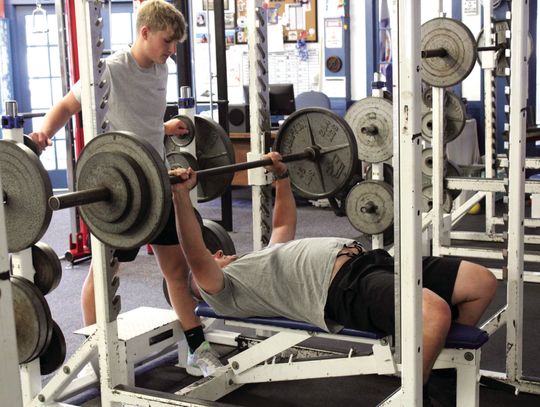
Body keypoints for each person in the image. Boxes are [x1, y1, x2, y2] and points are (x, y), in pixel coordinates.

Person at [169, 153, 497, 403]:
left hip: (370, 261)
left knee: (481, 282)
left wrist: (282, 178)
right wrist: (181, 196)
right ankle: (414, 397)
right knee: (433, 313)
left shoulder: (259, 261)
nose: (217, 254)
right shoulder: (223, 290)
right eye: (212, 262)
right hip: (341, 289)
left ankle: (438, 366)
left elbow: (282, 226)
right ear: (203, 286)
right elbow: (196, 253)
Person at [30, 0, 221, 377]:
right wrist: (43, 136)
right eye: (167, 41)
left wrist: (165, 129)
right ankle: (94, 353)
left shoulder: (161, 70)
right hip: (120, 191)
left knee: (176, 270)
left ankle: (198, 350)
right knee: (105, 273)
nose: (171, 51)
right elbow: (69, 105)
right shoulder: (110, 70)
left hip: (157, 180)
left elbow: (141, 115)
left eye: (175, 45)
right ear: (145, 32)